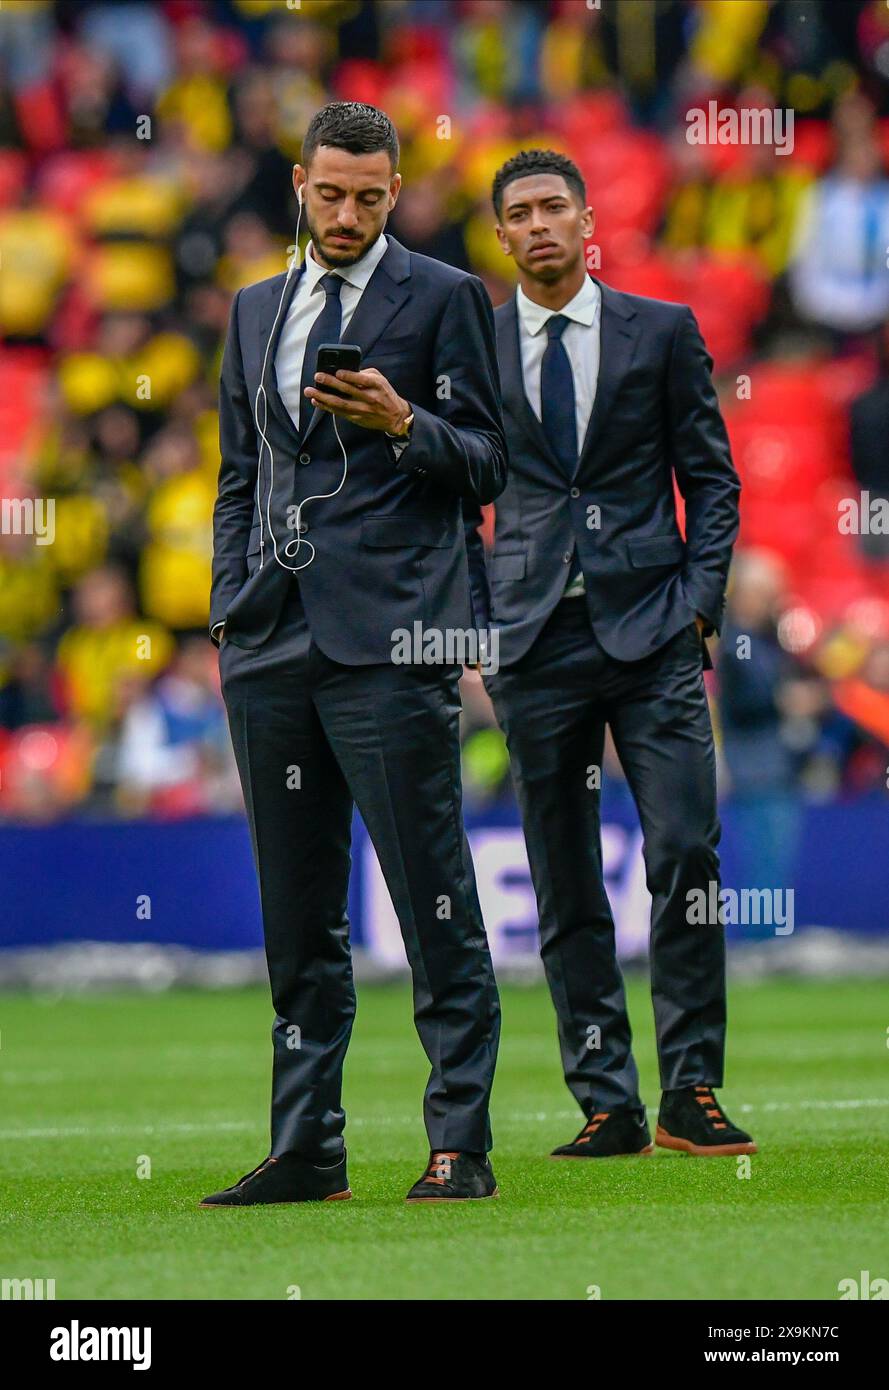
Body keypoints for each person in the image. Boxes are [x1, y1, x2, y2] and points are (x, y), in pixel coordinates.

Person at [203, 102, 505, 1207]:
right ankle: (306, 1146)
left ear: (394, 189)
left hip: (392, 642)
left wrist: (400, 422)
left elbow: (488, 464)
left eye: (369, 196)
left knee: (432, 899)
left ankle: (457, 1141)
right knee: (296, 913)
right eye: (329, 193)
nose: (347, 213)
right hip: (272, 640)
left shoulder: (445, 296)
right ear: (298, 182)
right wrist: (228, 602)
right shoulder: (253, 309)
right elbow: (241, 470)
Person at [469, 148, 755, 1160]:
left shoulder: (662, 331)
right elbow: (454, 500)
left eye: (554, 206)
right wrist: (479, 622)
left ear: (587, 219)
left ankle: (691, 1088)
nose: (539, 223)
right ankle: (605, 1096)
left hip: (653, 633)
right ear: (499, 234)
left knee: (685, 851)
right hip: (533, 641)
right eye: (520, 212)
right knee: (563, 875)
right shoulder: (474, 346)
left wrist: (698, 607)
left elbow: (711, 480)